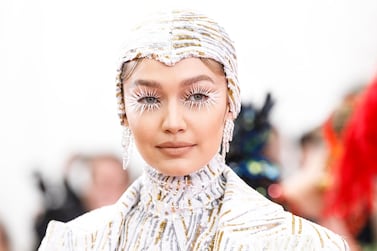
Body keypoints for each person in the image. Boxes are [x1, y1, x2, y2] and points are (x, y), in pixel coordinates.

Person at [38, 9, 349, 250]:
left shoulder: (301, 243)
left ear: (230, 102)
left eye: (197, 96)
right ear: (123, 109)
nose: (173, 122)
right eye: (148, 98)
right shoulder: (74, 242)